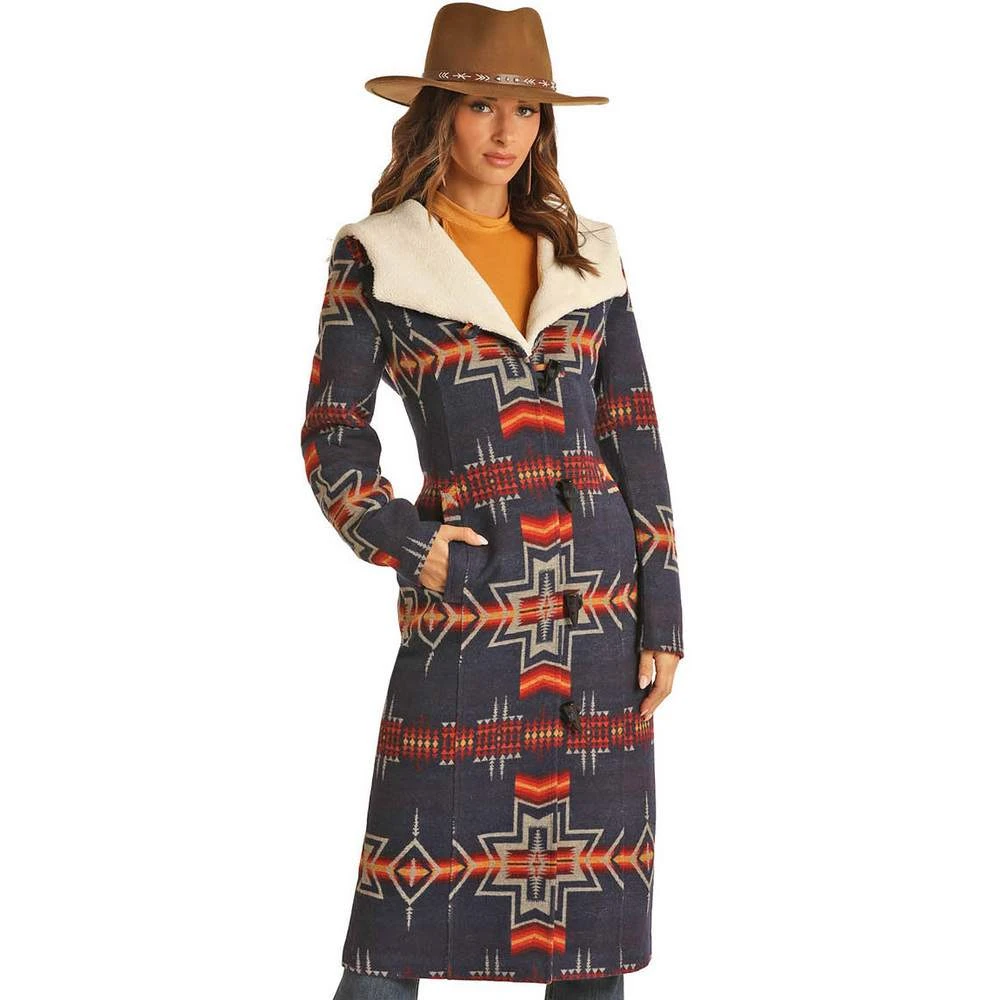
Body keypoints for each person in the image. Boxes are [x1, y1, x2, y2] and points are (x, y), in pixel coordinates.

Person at [300, 5, 685, 998]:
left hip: (598, 621)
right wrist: (412, 543)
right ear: (440, 113)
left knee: (590, 941)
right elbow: (333, 436)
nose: (506, 129)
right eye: (480, 105)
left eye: (524, 108)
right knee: (390, 940)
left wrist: (664, 619)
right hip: (470, 610)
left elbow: (633, 435)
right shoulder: (380, 253)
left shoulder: (590, 255)